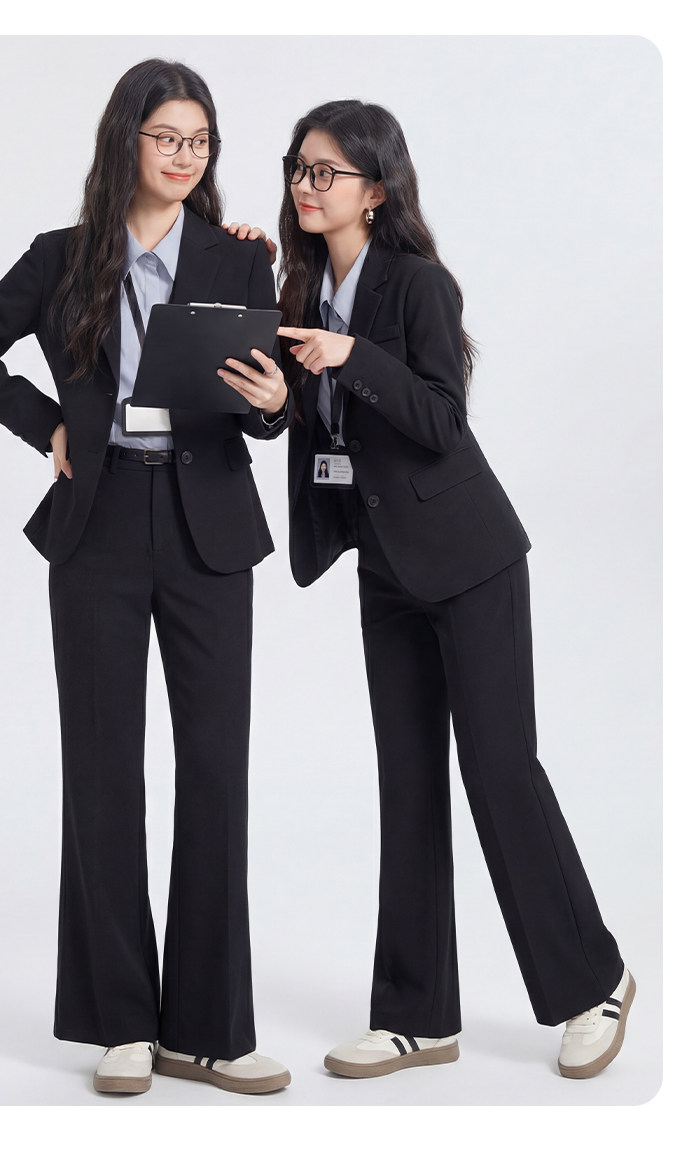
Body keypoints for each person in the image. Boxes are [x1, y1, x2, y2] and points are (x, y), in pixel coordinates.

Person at [0, 58, 292, 1097]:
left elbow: (263, 413)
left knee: (216, 771)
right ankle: (121, 1022)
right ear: (125, 138)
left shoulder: (238, 257)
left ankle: (210, 1030)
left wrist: (274, 403)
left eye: (200, 141)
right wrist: (48, 425)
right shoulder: (62, 256)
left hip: (207, 528)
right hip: (96, 527)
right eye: (167, 137)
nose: (185, 156)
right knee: (102, 771)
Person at [276, 99, 633, 1081]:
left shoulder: (417, 284)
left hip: (471, 561)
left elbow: (440, 419)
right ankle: (415, 1014)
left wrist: (355, 356)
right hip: (384, 566)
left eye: (326, 171)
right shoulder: (300, 290)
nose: (306, 185)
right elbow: (306, 423)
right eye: (298, 167)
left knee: (498, 768)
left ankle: (593, 982)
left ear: (376, 189)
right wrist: (275, 395)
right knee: (407, 781)